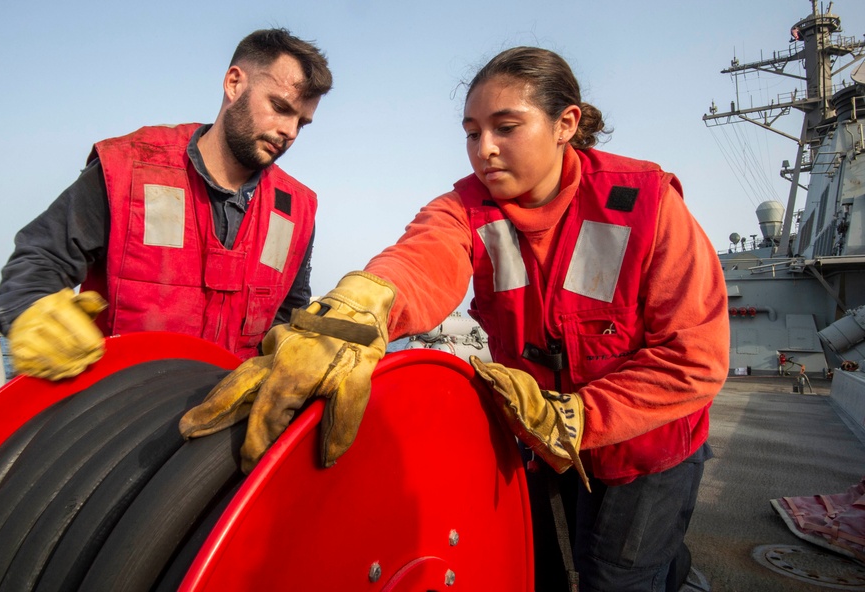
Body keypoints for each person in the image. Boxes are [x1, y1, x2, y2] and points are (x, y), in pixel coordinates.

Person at [180, 46, 729, 591]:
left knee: (618, 578)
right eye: (471, 132)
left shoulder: (646, 204)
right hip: (540, 440)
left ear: (566, 124)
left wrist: (582, 418)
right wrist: (359, 309)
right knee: (534, 571)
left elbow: (697, 359)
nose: (484, 150)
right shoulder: (467, 208)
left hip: (647, 451)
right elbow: (420, 260)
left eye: (505, 127)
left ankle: (672, 574)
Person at [0, 28, 332, 380]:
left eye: (301, 123)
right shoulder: (130, 168)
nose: (289, 131)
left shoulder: (296, 211)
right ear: (234, 83)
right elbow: (39, 261)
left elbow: (288, 316)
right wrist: (30, 310)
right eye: (279, 108)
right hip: (113, 413)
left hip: (226, 420)